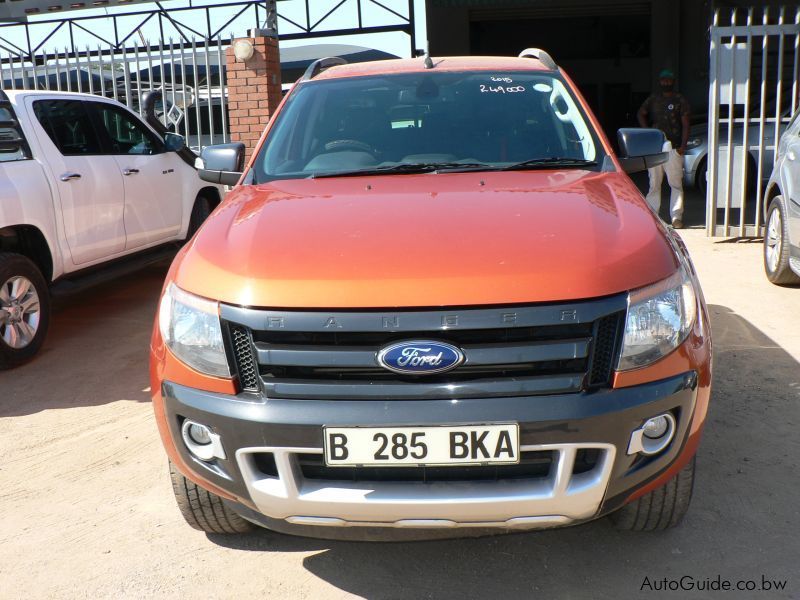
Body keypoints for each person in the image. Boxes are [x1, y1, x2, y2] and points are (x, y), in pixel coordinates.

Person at [637, 68, 690, 228]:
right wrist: (647, 132)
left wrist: (683, 145)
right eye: (663, 80)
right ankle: (652, 216)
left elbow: (686, 123)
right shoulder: (653, 99)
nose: (666, 82)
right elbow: (641, 113)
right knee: (654, 183)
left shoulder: (680, 99)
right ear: (660, 81)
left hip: (673, 146)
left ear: (673, 81)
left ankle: (676, 217)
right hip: (655, 146)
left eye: (669, 79)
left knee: (675, 183)